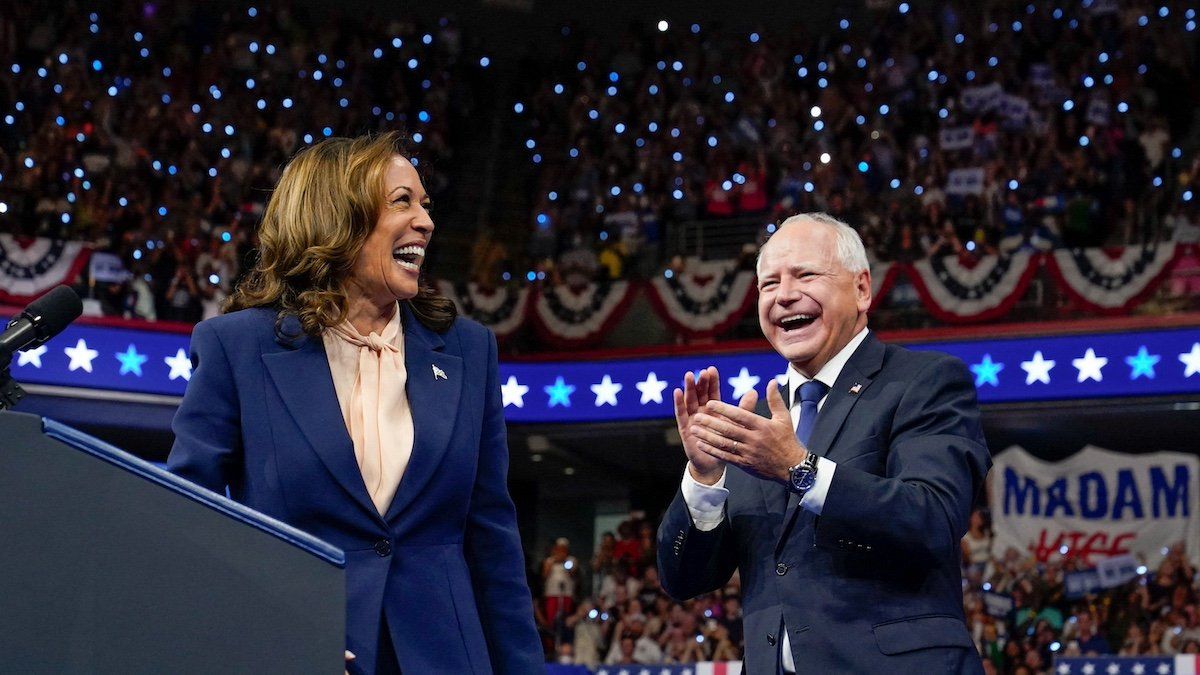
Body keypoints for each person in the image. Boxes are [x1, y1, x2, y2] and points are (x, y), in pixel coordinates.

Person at [168, 132, 542, 674]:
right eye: (402, 202)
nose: (426, 222)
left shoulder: (469, 349)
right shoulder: (236, 348)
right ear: (336, 217)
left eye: (426, 204)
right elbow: (190, 529)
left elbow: (493, 544)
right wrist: (270, 640)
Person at [657, 212, 992, 673]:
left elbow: (933, 517)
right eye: (769, 283)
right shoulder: (754, 427)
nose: (784, 295)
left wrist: (799, 468)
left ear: (861, 289)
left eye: (805, 274)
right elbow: (685, 580)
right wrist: (704, 477)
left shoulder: (926, 381)